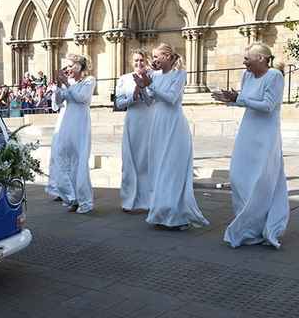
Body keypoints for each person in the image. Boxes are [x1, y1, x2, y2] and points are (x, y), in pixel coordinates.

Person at [212, 43, 289, 248]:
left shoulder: (274, 76)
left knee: (260, 180)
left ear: (262, 59)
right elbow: (245, 101)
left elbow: (268, 105)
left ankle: (257, 228)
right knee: (238, 176)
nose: (244, 62)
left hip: (266, 136)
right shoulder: (247, 76)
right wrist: (229, 100)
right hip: (248, 131)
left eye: (248, 58)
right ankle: (247, 225)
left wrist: (240, 98)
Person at [144, 43, 208, 230]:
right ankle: (160, 213)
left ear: (169, 57)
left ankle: (176, 215)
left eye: (158, 56)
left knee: (171, 167)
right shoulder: (154, 76)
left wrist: (151, 87)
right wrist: (143, 87)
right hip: (158, 122)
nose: (154, 60)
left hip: (173, 123)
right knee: (159, 167)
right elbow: (150, 101)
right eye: (153, 57)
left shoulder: (180, 74)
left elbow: (171, 99)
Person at [45, 54, 95, 213]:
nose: (68, 69)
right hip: (66, 124)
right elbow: (56, 103)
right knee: (62, 158)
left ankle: (84, 200)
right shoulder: (69, 83)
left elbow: (82, 98)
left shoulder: (89, 81)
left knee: (78, 162)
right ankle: (71, 196)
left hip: (79, 124)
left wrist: (67, 83)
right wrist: (60, 86)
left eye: (71, 65)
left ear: (80, 66)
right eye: (66, 66)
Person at [115, 49, 155, 213]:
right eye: (136, 61)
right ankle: (129, 199)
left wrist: (143, 88)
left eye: (142, 60)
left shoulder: (152, 77)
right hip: (132, 120)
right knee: (130, 158)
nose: (139, 63)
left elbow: (151, 101)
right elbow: (119, 103)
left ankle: (147, 200)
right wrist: (133, 95)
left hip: (148, 120)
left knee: (146, 159)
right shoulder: (124, 79)